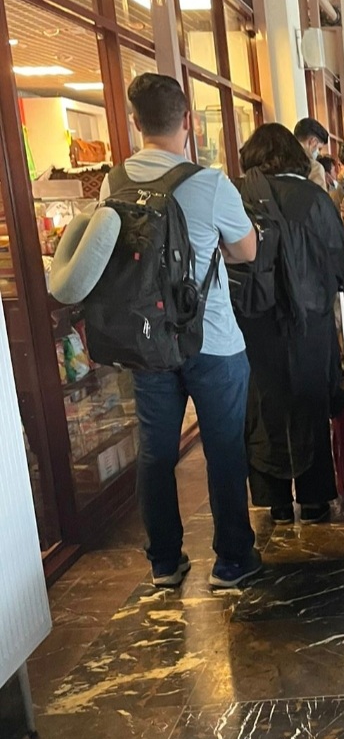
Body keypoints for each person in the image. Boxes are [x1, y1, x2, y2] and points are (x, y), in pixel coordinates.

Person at [105, 73, 259, 589]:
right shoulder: (210, 184)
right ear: (188, 121)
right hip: (212, 338)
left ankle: (165, 562)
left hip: (147, 342)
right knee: (224, 449)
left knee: (156, 452)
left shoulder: (114, 183)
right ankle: (232, 560)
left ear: (136, 123)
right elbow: (247, 250)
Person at [237, 123, 344, 523]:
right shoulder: (314, 198)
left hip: (256, 318)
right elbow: (339, 261)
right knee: (310, 401)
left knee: (264, 403)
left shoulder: (240, 196)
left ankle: (276, 500)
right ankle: (315, 495)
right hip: (310, 319)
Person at [293, 117, 330, 190]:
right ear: (313, 142)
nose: (319, 153)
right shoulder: (315, 168)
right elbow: (320, 197)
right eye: (319, 149)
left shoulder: (280, 164)